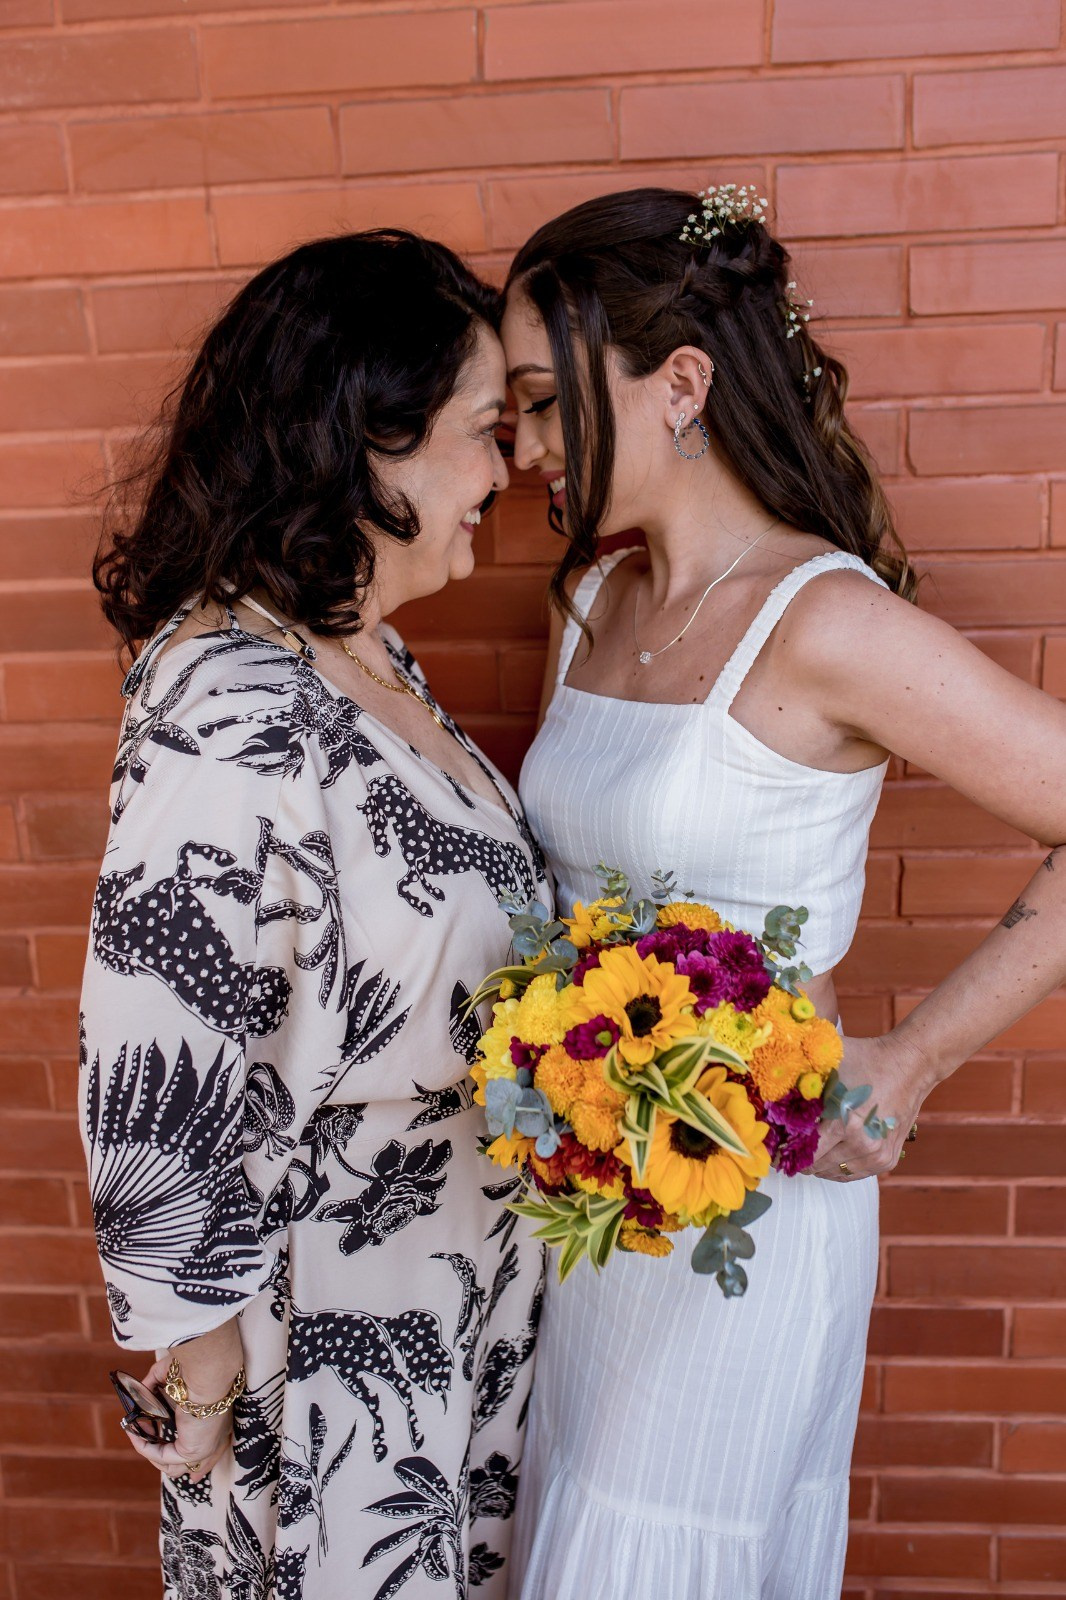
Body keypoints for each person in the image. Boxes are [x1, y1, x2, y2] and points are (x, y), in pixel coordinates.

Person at [498, 185, 1066, 1599]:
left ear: (681, 383)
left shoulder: (830, 624)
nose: (523, 450)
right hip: (583, 1207)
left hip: (748, 1216)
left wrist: (914, 1059)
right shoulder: (586, 607)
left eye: (546, 404)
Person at [80, 229, 546, 1600]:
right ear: (370, 439)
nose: (508, 470)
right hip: (334, 1336)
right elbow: (153, 1052)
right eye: (484, 430)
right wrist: (202, 1368)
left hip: (450, 1297)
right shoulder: (233, 703)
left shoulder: (361, 650)